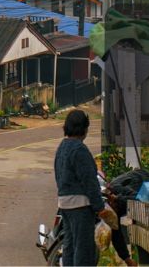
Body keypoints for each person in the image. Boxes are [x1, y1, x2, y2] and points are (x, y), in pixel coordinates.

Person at [53, 109, 110, 266]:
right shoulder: (80, 149)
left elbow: (58, 175)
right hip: (81, 206)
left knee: (69, 247)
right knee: (83, 250)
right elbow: (89, 181)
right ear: (84, 129)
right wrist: (99, 207)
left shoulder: (62, 147)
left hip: (64, 205)